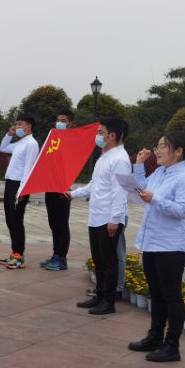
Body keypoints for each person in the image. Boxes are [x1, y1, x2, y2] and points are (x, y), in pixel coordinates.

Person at [127, 130, 185, 362]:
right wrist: (138, 166)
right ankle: (155, 337)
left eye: (162, 146)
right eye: (157, 146)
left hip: (171, 246)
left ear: (178, 151)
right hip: (152, 242)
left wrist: (155, 199)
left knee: (171, 296)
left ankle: (172, 346)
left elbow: (183, 211)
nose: (157, 151)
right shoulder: (160, 172)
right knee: (156, 294)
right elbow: (142, 193)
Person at [69, 117, 131, 315]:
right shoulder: (104, 156)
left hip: (108, 219)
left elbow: (120, 192)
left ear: (112, 135)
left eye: (100, 132)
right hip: (96, 217)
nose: (97, 136)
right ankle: (100, 294)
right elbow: (94, 185)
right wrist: (73, 194)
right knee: (98, 260)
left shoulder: (120, 159)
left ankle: (109, 301)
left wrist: (114, 219)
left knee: (109, 261)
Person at [0, 113, 39, 269]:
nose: (17, 126)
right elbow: (3, 148)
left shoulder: (31, 144)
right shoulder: (20, 143)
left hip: (19, 186)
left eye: (20, 124)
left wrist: (22, 190)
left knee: (16, 220)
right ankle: (14, 252)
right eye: (17, 124)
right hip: (10, 183)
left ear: (29, 126)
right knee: (10, 219)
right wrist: (9, 134)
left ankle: (19, 256)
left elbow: (28, 169)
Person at [41, 109, 74, 271]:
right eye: (58, 120)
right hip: (50, 186)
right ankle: (55, 254)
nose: (60, 123)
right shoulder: (53, 139)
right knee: (53, 223)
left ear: (70, 124)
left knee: (61, 223)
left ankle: (62, 258)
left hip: (63, 188)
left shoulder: (72, 141)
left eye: (63, 120)